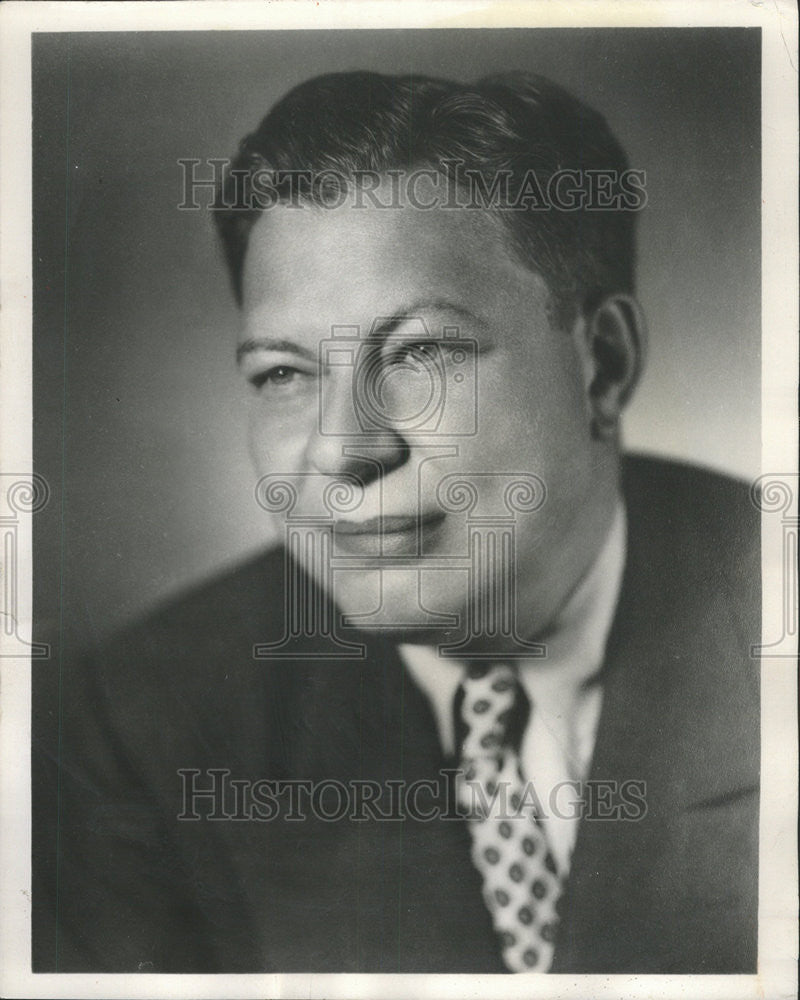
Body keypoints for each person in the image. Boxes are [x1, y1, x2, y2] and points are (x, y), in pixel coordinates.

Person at [33, 70, 759, 974]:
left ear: (603, 366)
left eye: (420, 353)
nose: (343, 450)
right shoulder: (147, 722)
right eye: (283, 374)